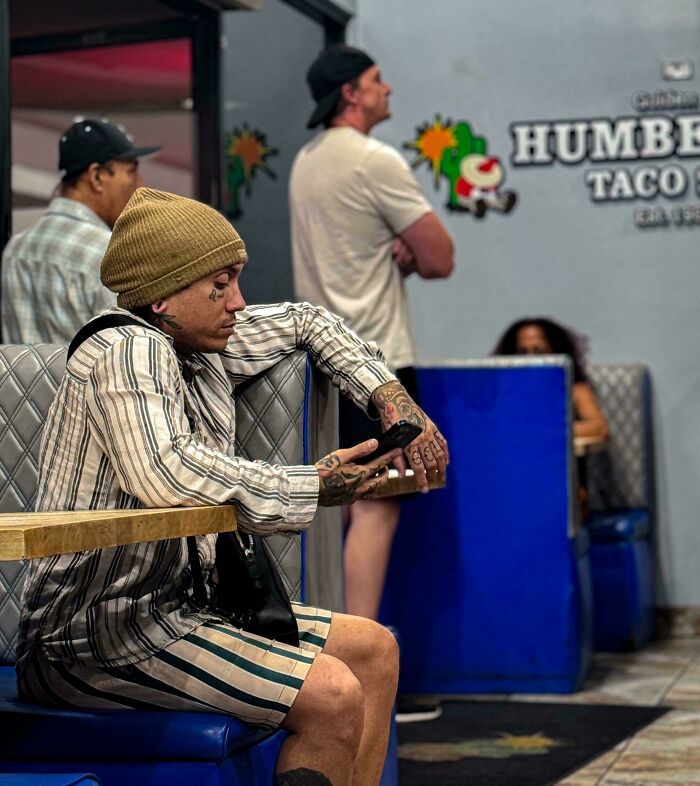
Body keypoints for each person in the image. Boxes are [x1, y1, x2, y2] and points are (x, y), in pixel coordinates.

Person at [17, 188, 449, 786]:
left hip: (176, 611)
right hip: (94, 637)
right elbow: (167, 472)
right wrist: (315, 485)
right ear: (163, 295)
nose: (237, 303)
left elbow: (308, 321)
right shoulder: (127, 348)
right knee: (333, 696)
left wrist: (389, 397)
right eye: (219, 286)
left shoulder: (192, 341)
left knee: (375, 652)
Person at [289, 44, 454, 638]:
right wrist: (409, 258)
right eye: (377, 80)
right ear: (351, 93)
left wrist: (393, 261)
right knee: (377, 513)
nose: (389, 89)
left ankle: (336, 669)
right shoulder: (373, 160)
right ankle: (365, 673)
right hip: (376, 365)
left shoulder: (306, 162)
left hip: (321, 365)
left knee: (342, 514)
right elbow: (441, 258)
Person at [1, 118, 159, 344]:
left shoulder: (15, 249)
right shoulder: (110, 252)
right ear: (96, 176)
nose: (140, 185)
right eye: (131, 172)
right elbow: (134, 351)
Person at [492, 317, 609, 441]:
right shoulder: (504, 390)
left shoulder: (573, 389)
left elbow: (599, 427)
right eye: (522, 352)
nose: (530, 359)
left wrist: (548, 431)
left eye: (539, 352)